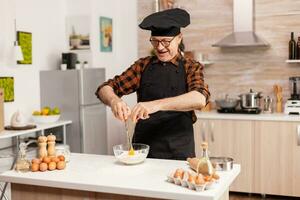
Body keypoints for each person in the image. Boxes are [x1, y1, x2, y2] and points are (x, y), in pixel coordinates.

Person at [96, 8, 210, 160]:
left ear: (179, 38)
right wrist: (114, 101)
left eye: (165, 42)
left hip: (180, 152)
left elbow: (199, 98)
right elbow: (105, 88)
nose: (160, 47)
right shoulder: (143, 66)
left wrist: (155, 105)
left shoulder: (191, 66)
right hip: (143, 152)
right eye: (155, 41)